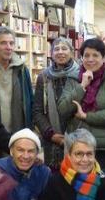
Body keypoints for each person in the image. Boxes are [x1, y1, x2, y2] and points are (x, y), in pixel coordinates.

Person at [58, 38, 105, 169]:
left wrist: (86, 116)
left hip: (104, 147)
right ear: (81, 57)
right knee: (76, 186)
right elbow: (63, 109)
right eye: (86, 55)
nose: (90, 59)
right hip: (76, 145)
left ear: (104, 57)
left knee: (102, 186)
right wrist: (82, 86)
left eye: (95, 55)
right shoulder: (73, 78)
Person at [33, 37, 79, 169]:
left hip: (77, 136)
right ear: (51, 54)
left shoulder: (81, 75)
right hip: (52, 138)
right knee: (54, 180)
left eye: (64, 48)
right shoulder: (44, 77)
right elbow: (37, 110)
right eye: (56, 49)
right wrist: (50, 134)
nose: (60, 52)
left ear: (71, 52)